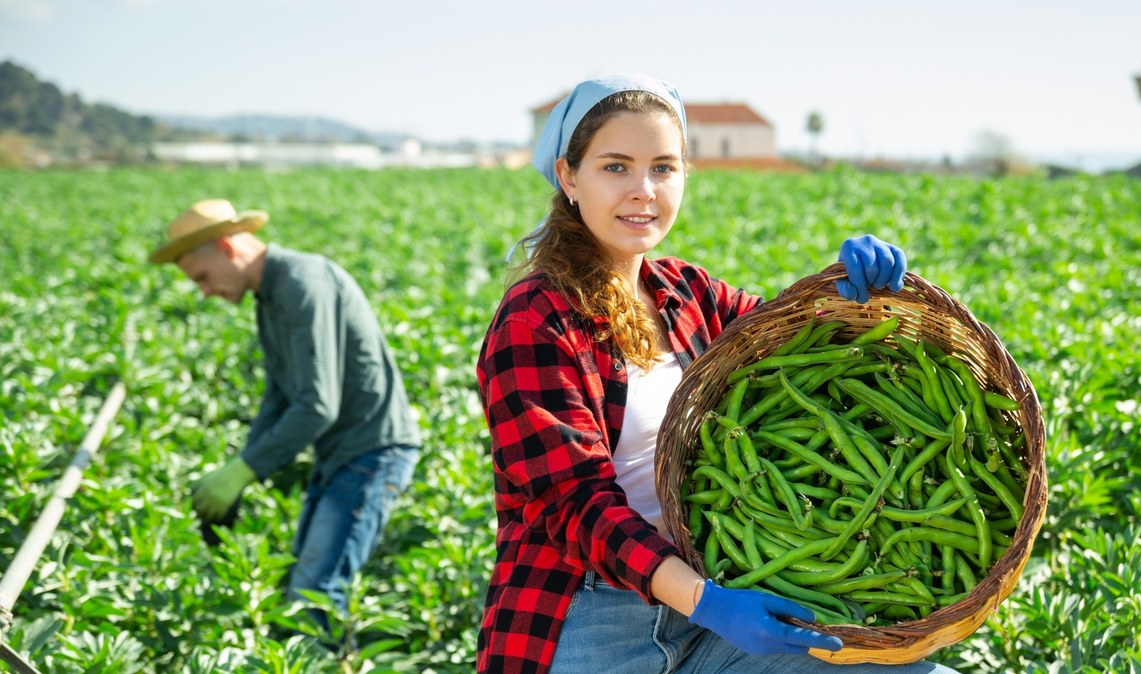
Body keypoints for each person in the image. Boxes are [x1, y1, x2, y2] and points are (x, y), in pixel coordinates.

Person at [475, 74, 956, 674]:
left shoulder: (688, 292)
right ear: (569, 176)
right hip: (591, 621)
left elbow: (794, 344)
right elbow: (576, 504)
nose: (643, 191)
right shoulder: (536, 320)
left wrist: (851, 293)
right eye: (616, 167)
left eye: (663, 168)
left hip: (717, 598)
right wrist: (710, 604)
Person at [147, 199, 422, 635]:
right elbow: (279, 396)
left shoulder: (301, 282)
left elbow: (316, 406)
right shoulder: (269, 294)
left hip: (373, 453)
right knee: (302, 588)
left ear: (226, 248)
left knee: (314, 596)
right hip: (341, 454)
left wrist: (243, 471)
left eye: (202, 278)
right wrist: (242, 468)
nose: (204, 291)